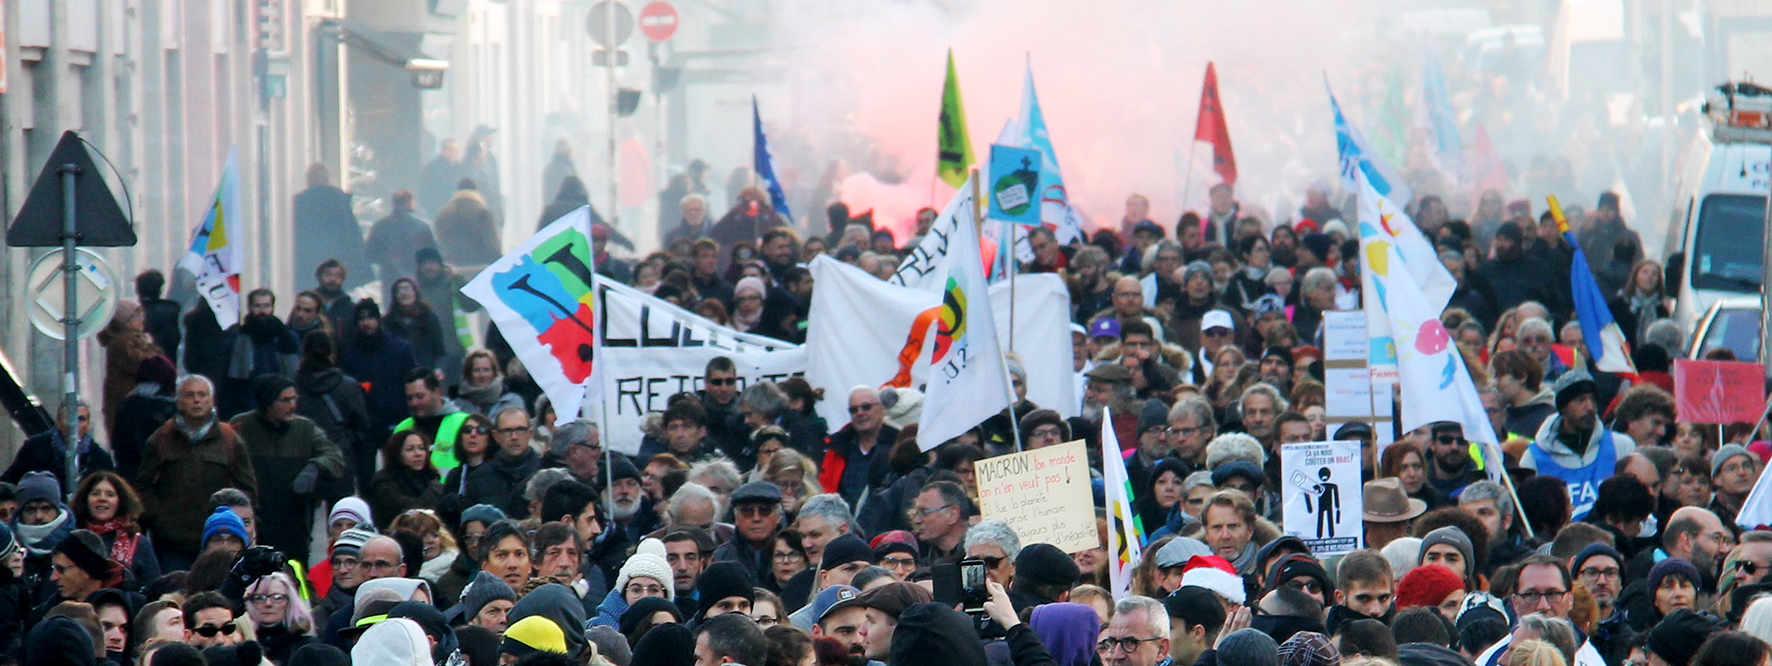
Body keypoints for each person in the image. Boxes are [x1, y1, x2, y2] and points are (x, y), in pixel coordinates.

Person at [137, 376, 257, 569]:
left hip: (220, 541)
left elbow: (247, 490)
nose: (197, 400)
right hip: (172, 544)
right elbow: (143, 486)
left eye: (202, 395)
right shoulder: (161, 439)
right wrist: (159, 519)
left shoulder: (230, 439)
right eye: (190, 395)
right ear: (179, 402)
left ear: (212, 401)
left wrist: (233, 523)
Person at [231, 375, 346, 563]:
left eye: (294, 399)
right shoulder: (241, 427)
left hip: (295, 528)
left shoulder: (305, 429)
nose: (292, 406)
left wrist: (314, 467)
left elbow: (334, 456)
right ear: (267, 403)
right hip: (254, 525)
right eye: (285, 400)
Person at [1523, 371, 1636, 521]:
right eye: (1580, 400)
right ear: (1563, 408)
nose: (1589, 407)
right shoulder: (1534, 457)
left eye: (1592, 399)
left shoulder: (1621, 445)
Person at [218, 289, 301, 418]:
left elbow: (296, 374)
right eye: (257, 306)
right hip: (245, 406)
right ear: (250, 307)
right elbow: (227, 380)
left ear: (272, 308)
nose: (262, 311)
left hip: (281, 406)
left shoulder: (287, 338)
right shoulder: (235, 338)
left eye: (266, 306)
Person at [69, 472, 160, 587]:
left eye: (110, 495)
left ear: (121, 501)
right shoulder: (72, 539)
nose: (102, 499)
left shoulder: (138, 542)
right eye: (96, 493)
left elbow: (154, 587)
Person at [292, 164, 367, 296]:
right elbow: (351, 233)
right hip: (338, 256)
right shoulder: (339, 199)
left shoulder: (300, 201)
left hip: (308, 261)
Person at [821, 387, 899, 507]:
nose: (860, 413)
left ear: (881, 409)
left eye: (866, 407)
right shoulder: (836, 448)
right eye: (853, 410)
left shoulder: (898, 446)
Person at [463, 407, 541, 519]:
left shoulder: (545, 473)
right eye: (507, 431)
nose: (514, 437)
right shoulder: (478, 477)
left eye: (520, 430)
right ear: (496, 436)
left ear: (530, 433)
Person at [368, 430, 445, 528]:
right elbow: (407, 510)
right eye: (410, 450)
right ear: (397, 454)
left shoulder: (431, 477)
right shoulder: (385, 481)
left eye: (421, 448)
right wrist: (434, 491)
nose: (418, 454)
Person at [365, 191, 441, 289]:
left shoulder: (380, 226)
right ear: (411, 203)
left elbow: (370, 255)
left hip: (390, 279)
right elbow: (433, 254)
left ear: (393, 204)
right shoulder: (422, 227)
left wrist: (388, 260)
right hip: (417, 278)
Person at [713, 482, 784, 586]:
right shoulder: (721, 558)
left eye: (765, 510)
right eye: (747, 511)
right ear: (736, 518)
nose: (756, 518)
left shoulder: (795, 553)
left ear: (778, 516)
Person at [246, 572, 317, 664]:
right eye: (259, 598)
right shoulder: (240, 642)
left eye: (277, 598)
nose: (268, 604)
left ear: (289, 602)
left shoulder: (306, 646)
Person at [383, 278, 448, 374]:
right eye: (399, 290)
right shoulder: (388, 322)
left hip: (426, 373)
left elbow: (440, 351)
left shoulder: (429, 318)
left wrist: (439, 368)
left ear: (415, 292)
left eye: (407, 289)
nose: (404, 293)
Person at [911, 481, 969, 566]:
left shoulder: (983, 557)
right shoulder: (919, 560)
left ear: (952, 514)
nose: (916, 520)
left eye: (924, 512)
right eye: (916, 513)